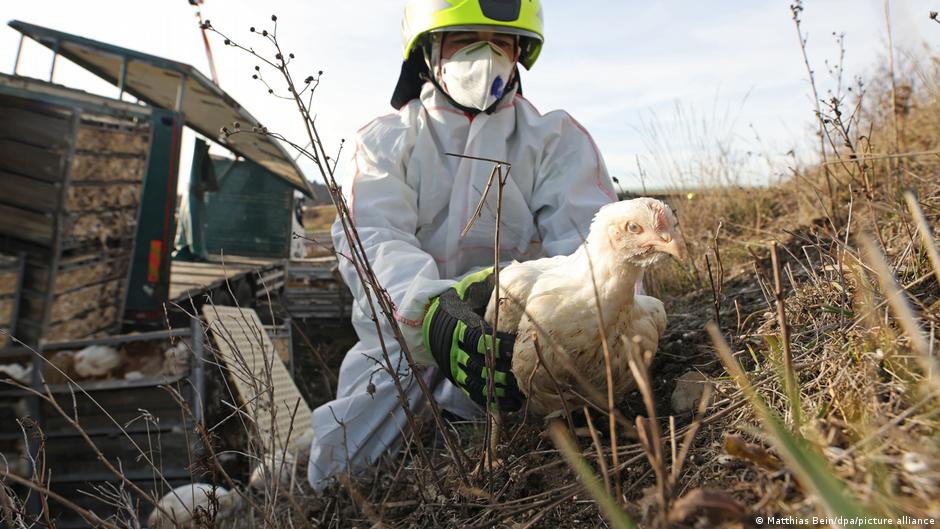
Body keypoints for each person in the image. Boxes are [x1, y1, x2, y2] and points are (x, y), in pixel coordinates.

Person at [307, 0, 617, 489]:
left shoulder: (555, 142)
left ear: (520, 52)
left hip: (519, 349)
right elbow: (373, 238)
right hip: (406, 353)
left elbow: (595, 247)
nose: (484, 55)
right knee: (339, 474)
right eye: (465, 39)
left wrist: (558, 331)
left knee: (548, 458)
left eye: (500, 41)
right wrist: (431, 319)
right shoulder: (384, 142)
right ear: (429, 50)